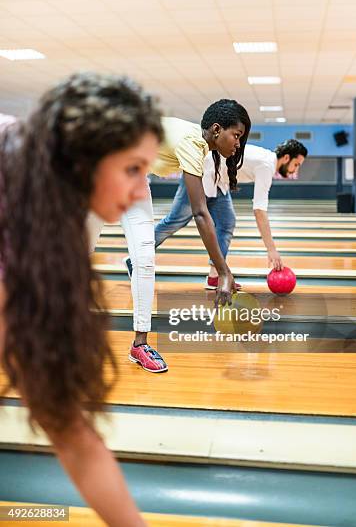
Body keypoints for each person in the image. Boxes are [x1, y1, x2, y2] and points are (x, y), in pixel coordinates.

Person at [0, 72, 164, 527]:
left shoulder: (49, 223)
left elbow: (70, 431)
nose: (139, 194)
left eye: (146, 172)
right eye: (132, 169)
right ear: (83, 160)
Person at [92, 100, 252, 373]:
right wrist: (223, 272)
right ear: (216, 130)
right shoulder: (192, 142)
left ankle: (139, 345)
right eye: (236, 135)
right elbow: (200, 213)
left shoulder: (199, 144)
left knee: (144, 258)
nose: (238, 143)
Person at [154, 139, 308, 287]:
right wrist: (272, 250)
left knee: (227, 222)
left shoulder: (266, 160)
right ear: (286, 157)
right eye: (296, 164)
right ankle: (139, 254)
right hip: (200, 172)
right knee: (175, 221)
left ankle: (215, 276)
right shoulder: (266, 165)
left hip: (218, 180)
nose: (296, 169)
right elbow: (259, 210)